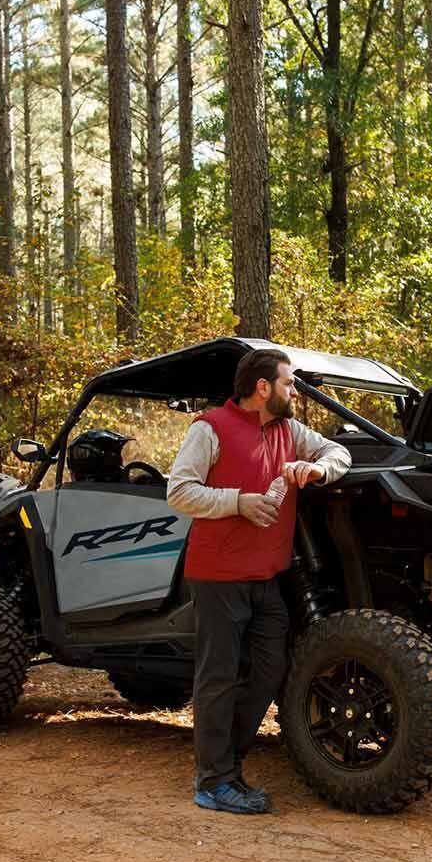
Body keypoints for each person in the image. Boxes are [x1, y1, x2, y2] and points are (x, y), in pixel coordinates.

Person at [166, 347, 351, 814]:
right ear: (263, 387)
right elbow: (179, 491)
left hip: (266, 578)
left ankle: (226, 764)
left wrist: (318, 468)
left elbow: (338, 450)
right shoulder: (210, 428)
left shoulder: (289, 430)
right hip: (218, 576)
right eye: (289, 383)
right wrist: (238, 502)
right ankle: (213, 781)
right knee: (218, 678)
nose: (295, 390)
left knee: (271, 671)